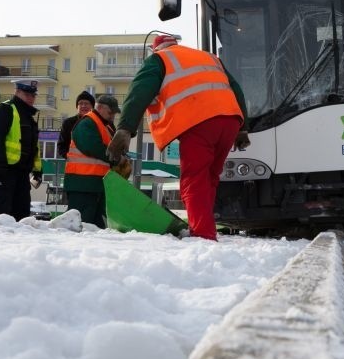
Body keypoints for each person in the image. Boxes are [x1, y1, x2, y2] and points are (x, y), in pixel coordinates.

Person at [106, 34, 249, 240]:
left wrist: (125, 128)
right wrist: (244, 127)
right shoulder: (208, 57)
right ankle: (206, 228)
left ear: (156, 49)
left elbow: (139, 90)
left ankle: (203, 235)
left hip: (199, 122)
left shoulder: (160, 59)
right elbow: (236, 89)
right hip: (230, 121)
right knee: (210, 178)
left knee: (194, 180)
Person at [64, 95, 129, 228]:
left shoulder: (105, 126)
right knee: (81, 224)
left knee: (93, 225)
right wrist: (117, 158)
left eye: (114, 114)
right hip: (82, 183)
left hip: (94, 183)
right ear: (99, 108)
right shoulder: (87, 123)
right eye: (110, 112)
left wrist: (121, 156)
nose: (112, 116)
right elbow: (93, 147)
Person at [0, 79, 42, 221]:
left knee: (22, 213)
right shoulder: (6, 109)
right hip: (4, 169)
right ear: (17, 92)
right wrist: (0, 166)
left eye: (33, 95)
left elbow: (33, 147)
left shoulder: (29, 117)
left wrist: (37, 170)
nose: (31, 98)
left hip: (22, 171)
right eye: (27, 94)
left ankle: (18, 243)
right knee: (3, 214)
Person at [58, 90, 95, 158]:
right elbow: (61, 146)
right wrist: (69, 157)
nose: (83, 106)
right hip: (74, 166)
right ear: (77, 107)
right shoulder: (68, 123)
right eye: (80, 103)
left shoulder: (97, 123)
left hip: (93, 166)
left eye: (86, 103)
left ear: (92, 107)